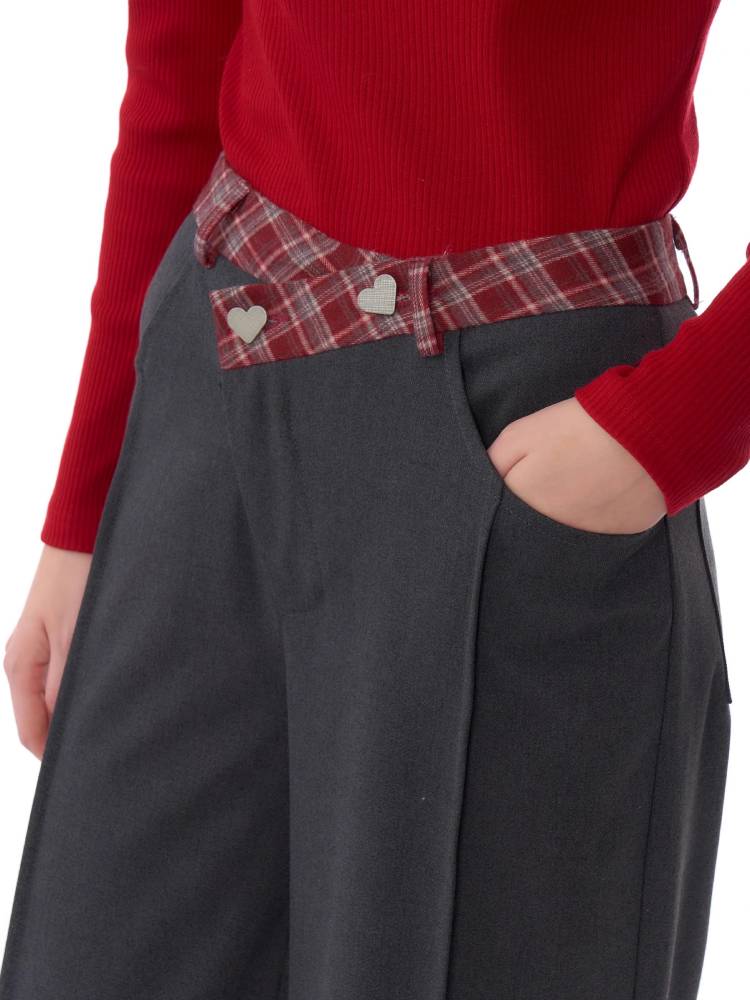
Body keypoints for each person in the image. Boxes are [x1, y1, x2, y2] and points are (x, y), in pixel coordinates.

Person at [0, 2, 746, 998]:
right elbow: (183, 49)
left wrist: (676, 422)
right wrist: (89, 505)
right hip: (216, 367)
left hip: (518, 434)